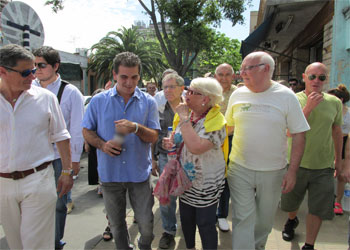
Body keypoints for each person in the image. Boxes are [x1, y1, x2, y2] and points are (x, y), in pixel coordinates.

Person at [225, 51, 309, 250]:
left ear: (267, 69)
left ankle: (258, 246)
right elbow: (227, 127)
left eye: (248, 68)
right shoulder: (238, 94)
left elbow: (299, 134)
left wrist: (292, 171)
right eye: (242, 68)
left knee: (264, 220)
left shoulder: (286, 96)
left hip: (273, 171)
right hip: (239, 167)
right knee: (243, 218)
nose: (242, 73)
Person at [82, 51, 160, 250]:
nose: (129, 82)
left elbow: (153, 136)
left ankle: (144, 246)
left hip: (139, 174)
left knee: (147, 225)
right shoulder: (98, 101)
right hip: (110, 175)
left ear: (139, 76)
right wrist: (102, 145)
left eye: (134, 77)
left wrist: (135, 127)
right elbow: (86, 130)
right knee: (117, 226)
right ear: (114, 75)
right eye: (124, 76)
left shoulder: (148, 102)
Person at [0, 44, 73, 249]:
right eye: (26, 72)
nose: (33, 76)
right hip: (3, 184)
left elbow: (62, 135)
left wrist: (67, 171)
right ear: (3, 71)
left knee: (36, 245)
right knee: (16, 244)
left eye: (34, 70)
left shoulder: (45, 98)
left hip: (38, 180)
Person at [280, 62, 344, 250]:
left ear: (326, 79)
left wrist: (338, 161)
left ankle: (309, 245)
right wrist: (309, 107)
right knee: (291, 204)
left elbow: (337, 132)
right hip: (295, 164)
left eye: (321, 77)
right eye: (312, 76)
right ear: (304, 77)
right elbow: (289, 132)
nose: (316, 80)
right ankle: (292, 220)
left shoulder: (334, 102)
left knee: (317, 209)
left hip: (323, 166)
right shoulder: (292, 99)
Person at [164, 77, 228, 250]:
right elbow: (179, 138)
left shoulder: (217, 122)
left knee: (205, 224)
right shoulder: (187, 116)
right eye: (188, 90)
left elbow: (196, 147)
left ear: (206, 99)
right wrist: (170, 143)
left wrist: (184, 118)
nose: (187, 94)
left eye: (192, 92)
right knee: (186, 221)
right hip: (185, 180)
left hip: (205, 183)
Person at [32, 46, 84, 249]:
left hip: (57, 158)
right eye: (34, 65)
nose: (37, 69)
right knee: (33, 204)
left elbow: (77, 129)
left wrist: (73, 162)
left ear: (55, 66)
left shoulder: (70, 92)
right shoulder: (29, 88)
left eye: (42, 65)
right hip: (33, 159)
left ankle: (54, 242)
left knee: (58, 203)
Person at [151, 73, 185, 248]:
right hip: (165, 157)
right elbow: (154, 135)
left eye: (172, 86)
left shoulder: (190, 108)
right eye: (165, 87)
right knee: (167, 196)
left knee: (186, 196)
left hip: (187, 158)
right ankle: (169, 230)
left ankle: (188, 229)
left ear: (182, 88)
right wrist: (154, 159)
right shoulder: (160, 108)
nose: (168, 90)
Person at [214, 63, 237, 232]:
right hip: (209, 140)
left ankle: (222, 215)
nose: (223, 78)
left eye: (227, 74)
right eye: (220, 74)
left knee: (225, 179)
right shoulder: (209, 91)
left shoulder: (239, 93)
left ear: (233, 76)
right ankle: (208, 212)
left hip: (231, 140)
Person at [328, 84, 350, 215]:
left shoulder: (348, 113)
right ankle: (328, 198)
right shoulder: (328, 111)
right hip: (328, 142)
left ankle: (338, 201)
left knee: (341, 175)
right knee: (327, 172)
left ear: (340, 100)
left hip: (344, 144)